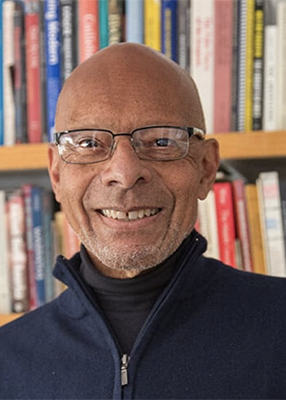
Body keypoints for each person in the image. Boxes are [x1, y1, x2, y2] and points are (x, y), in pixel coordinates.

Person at [1, 43, 286, 400]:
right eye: (89, 143)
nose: (124, 172)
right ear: (56, 174)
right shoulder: (6, 361)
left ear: (206, 168)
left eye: (161, 141)